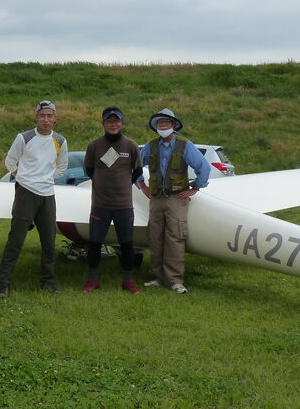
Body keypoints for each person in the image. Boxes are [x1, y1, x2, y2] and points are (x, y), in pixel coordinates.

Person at [0, 100, 68, 298]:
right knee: (16, 239)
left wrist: (45, 178)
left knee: (49, 241)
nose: (46, 119)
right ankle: (4, 284)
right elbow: (10, 160)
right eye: (42, 115)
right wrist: (23, 176)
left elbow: (62, 167)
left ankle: (48, 283)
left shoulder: (60, 141)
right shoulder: (24, 137)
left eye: (49, 116)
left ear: (55, 119)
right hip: (25, 192)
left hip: (47, 194)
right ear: (36, 117)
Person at [137, 108, 211, 294]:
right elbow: (135, 166)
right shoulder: (150, 146)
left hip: (176, 199)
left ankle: (175, 280)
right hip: (155, 199)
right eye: (160, 123)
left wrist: (195, 188)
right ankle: (158, 277)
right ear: (156, 127)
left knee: (175, 237)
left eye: (167, 123)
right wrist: (142, 186)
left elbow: (203, 167)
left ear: (173, 126)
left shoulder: (185, 146)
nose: (163, 126)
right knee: (155, 236)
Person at [81, 107, 144, 293]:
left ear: (122, 123)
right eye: (109, 121)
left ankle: (128, 280)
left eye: (117, 121)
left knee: (127, 243)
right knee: (95, 242)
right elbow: (89, 170)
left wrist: (123, 185)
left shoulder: (131, 145)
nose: (113, 124)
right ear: (103, 124)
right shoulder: (94, 145)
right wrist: (102, 184)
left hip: (123, 205)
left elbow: (138, 171)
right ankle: (93, 280)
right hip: (100, 204)